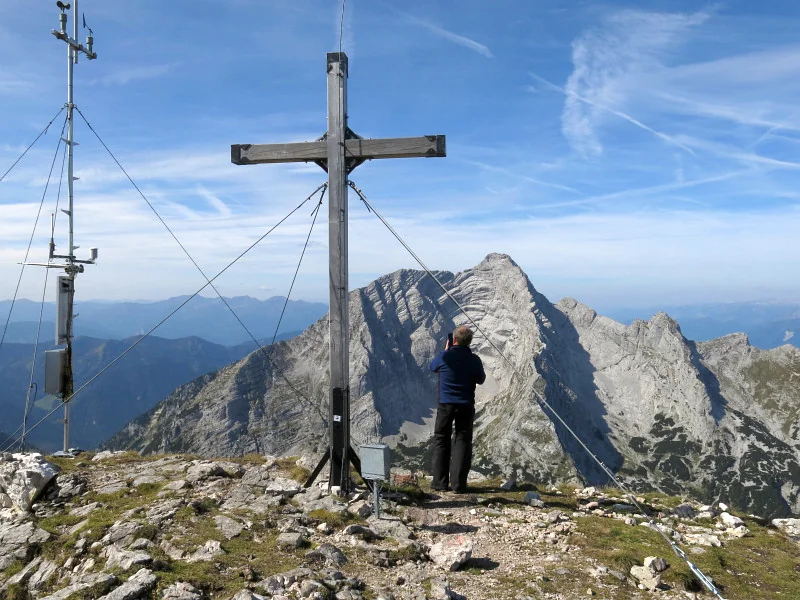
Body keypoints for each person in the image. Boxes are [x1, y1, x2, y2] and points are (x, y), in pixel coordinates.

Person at [429, 325, 486, 493]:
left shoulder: (444, 357)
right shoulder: (474, 360)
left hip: (445, 404)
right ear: (469, 342)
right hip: (465, 405)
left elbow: (432, 367)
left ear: (453, 339)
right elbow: (481, 379)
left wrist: (445, 351)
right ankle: (458, 485)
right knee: (462, 441)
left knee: (441, 439)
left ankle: (439, 483)